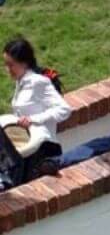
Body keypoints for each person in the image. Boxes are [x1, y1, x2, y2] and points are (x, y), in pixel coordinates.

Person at [0, 38, 69, 191]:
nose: (7, 69)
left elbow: (64, 110)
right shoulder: (21, 82)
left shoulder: (38, 82)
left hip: (43, 149)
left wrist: (33, 119)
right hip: (29, 148)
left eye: (10, 64)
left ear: (24, 63)